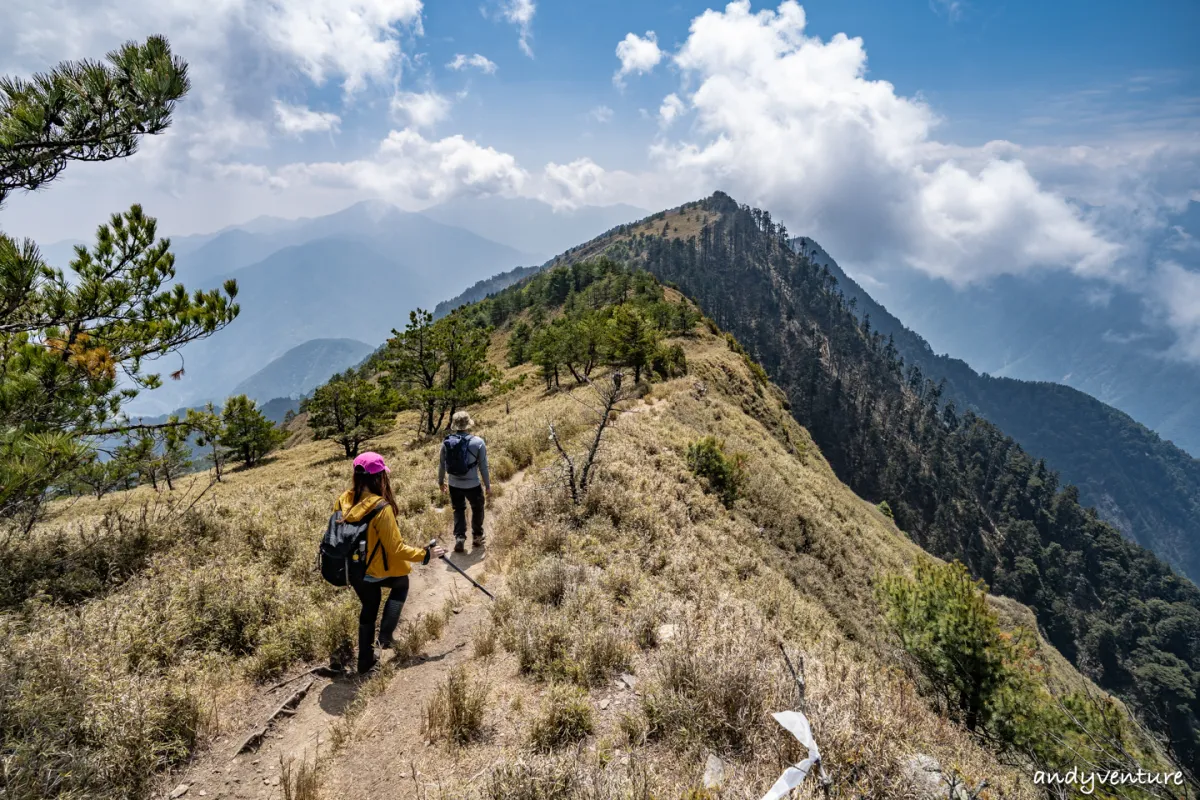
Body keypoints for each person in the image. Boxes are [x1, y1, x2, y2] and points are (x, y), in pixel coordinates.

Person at [335, 451, 445, 675]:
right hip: (373, 569)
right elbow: (396, 548)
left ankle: (365, 661)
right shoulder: (381, 508)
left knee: (369, 607)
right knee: (401, 583)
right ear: (379, 478)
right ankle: (384, 637)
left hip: (351, 568)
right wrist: (425, 554)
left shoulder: (343, 499)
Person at [438, 411, 490, 553]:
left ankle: (460, 537)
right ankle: (477, 536)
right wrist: (487, 485)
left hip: (454, 484)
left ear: (454, 425)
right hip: (473, 484)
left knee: (458, 509)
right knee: (477, 508)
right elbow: (483, 466)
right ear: (468, 424)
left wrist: (441, 482)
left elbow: (442, 464)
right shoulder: (478, 442)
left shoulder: (447, 442)